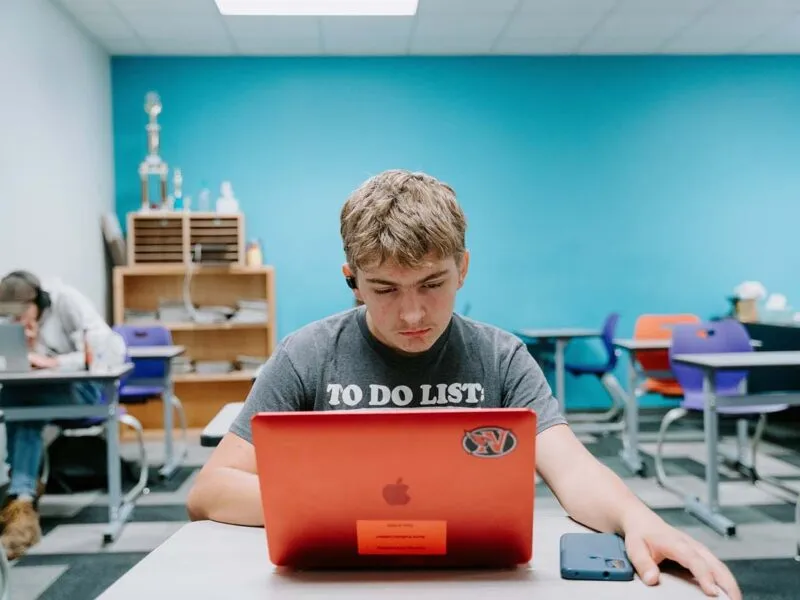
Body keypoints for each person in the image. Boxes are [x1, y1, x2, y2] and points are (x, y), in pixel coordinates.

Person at [187, 170, 741, 600]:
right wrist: (340, 508)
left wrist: (636, 518)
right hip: (336, 582)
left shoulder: (500, 357)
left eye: (433, 283)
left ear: (464, 268)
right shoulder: (307, 354)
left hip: (479, 581)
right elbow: (210, 492)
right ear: (351, 281)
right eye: (383, 289)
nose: (411, 313)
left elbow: (573, 470)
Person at [0, 271, 112, 560]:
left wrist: (53, 361)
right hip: (37, 392)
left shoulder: (67, 303)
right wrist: (27, 350)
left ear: (39, 300)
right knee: (18, 400)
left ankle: (21, 495)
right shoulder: (18, 322)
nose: (17, 320)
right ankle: (21, 495)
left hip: (84, 389)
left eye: (22, 312)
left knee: (18, 401)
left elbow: (102, 350)